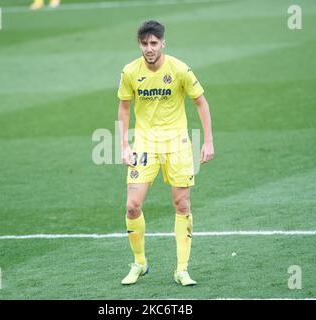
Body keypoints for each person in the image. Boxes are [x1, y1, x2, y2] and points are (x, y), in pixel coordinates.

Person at [117, 20, 214, 286]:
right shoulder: (129, 72)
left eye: (153, 43)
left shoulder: (180, 69)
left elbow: (201, 103)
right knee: (132, 205)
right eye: (144, 43)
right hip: (145, 144)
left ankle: (182, 269)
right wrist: (124, 145)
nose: (149, 49)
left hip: (177, 144)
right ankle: (139, 262)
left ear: (162, 43)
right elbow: (124, 109)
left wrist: (208, 141)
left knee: (182, 204)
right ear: (139, 44)